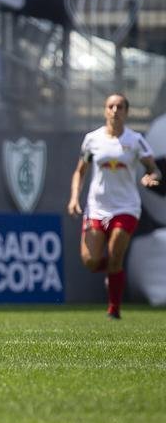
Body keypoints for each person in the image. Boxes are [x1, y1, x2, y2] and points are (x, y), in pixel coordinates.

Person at [67, 92, 161, 320]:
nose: (115, 111)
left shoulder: (135, 140)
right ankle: (113, 271)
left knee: (115, 253)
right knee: (90, 261)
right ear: (105, 110)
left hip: (126, 207)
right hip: (97, 207)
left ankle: (114, 308)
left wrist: (151, 177)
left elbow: (154, 169)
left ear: (126, 112)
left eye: (120, 107)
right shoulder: (92, 140)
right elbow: (80, 172)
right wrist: (74, 198)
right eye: (111, 106)